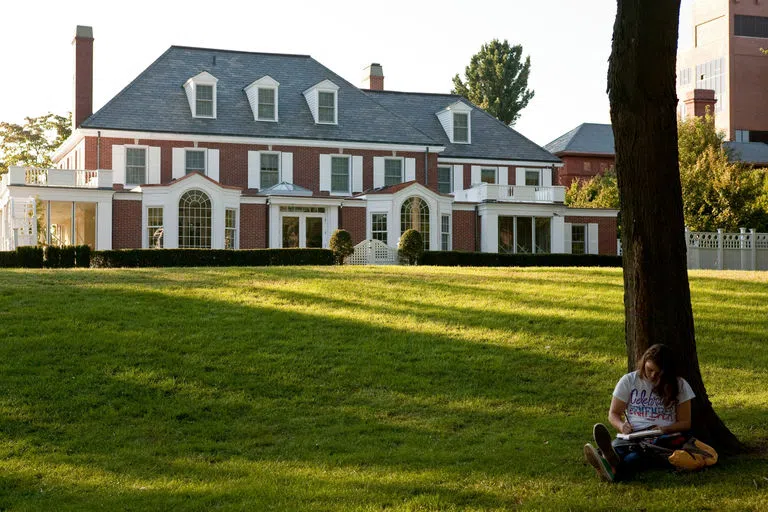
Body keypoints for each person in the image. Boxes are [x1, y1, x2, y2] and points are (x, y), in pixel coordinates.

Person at [584, 344, 696, 482]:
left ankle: (609, 465)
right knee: (618, 448)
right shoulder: (629, 380)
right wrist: (621, 426)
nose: (653, 375)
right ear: (643, 364)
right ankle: (609, 457)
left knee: (634, 459)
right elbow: (613, 413)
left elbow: (686, 423)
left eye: (659, 373)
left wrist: (666, 429)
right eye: (650, 370)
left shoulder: (680, 385)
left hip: (661, 438)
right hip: (633, 435)